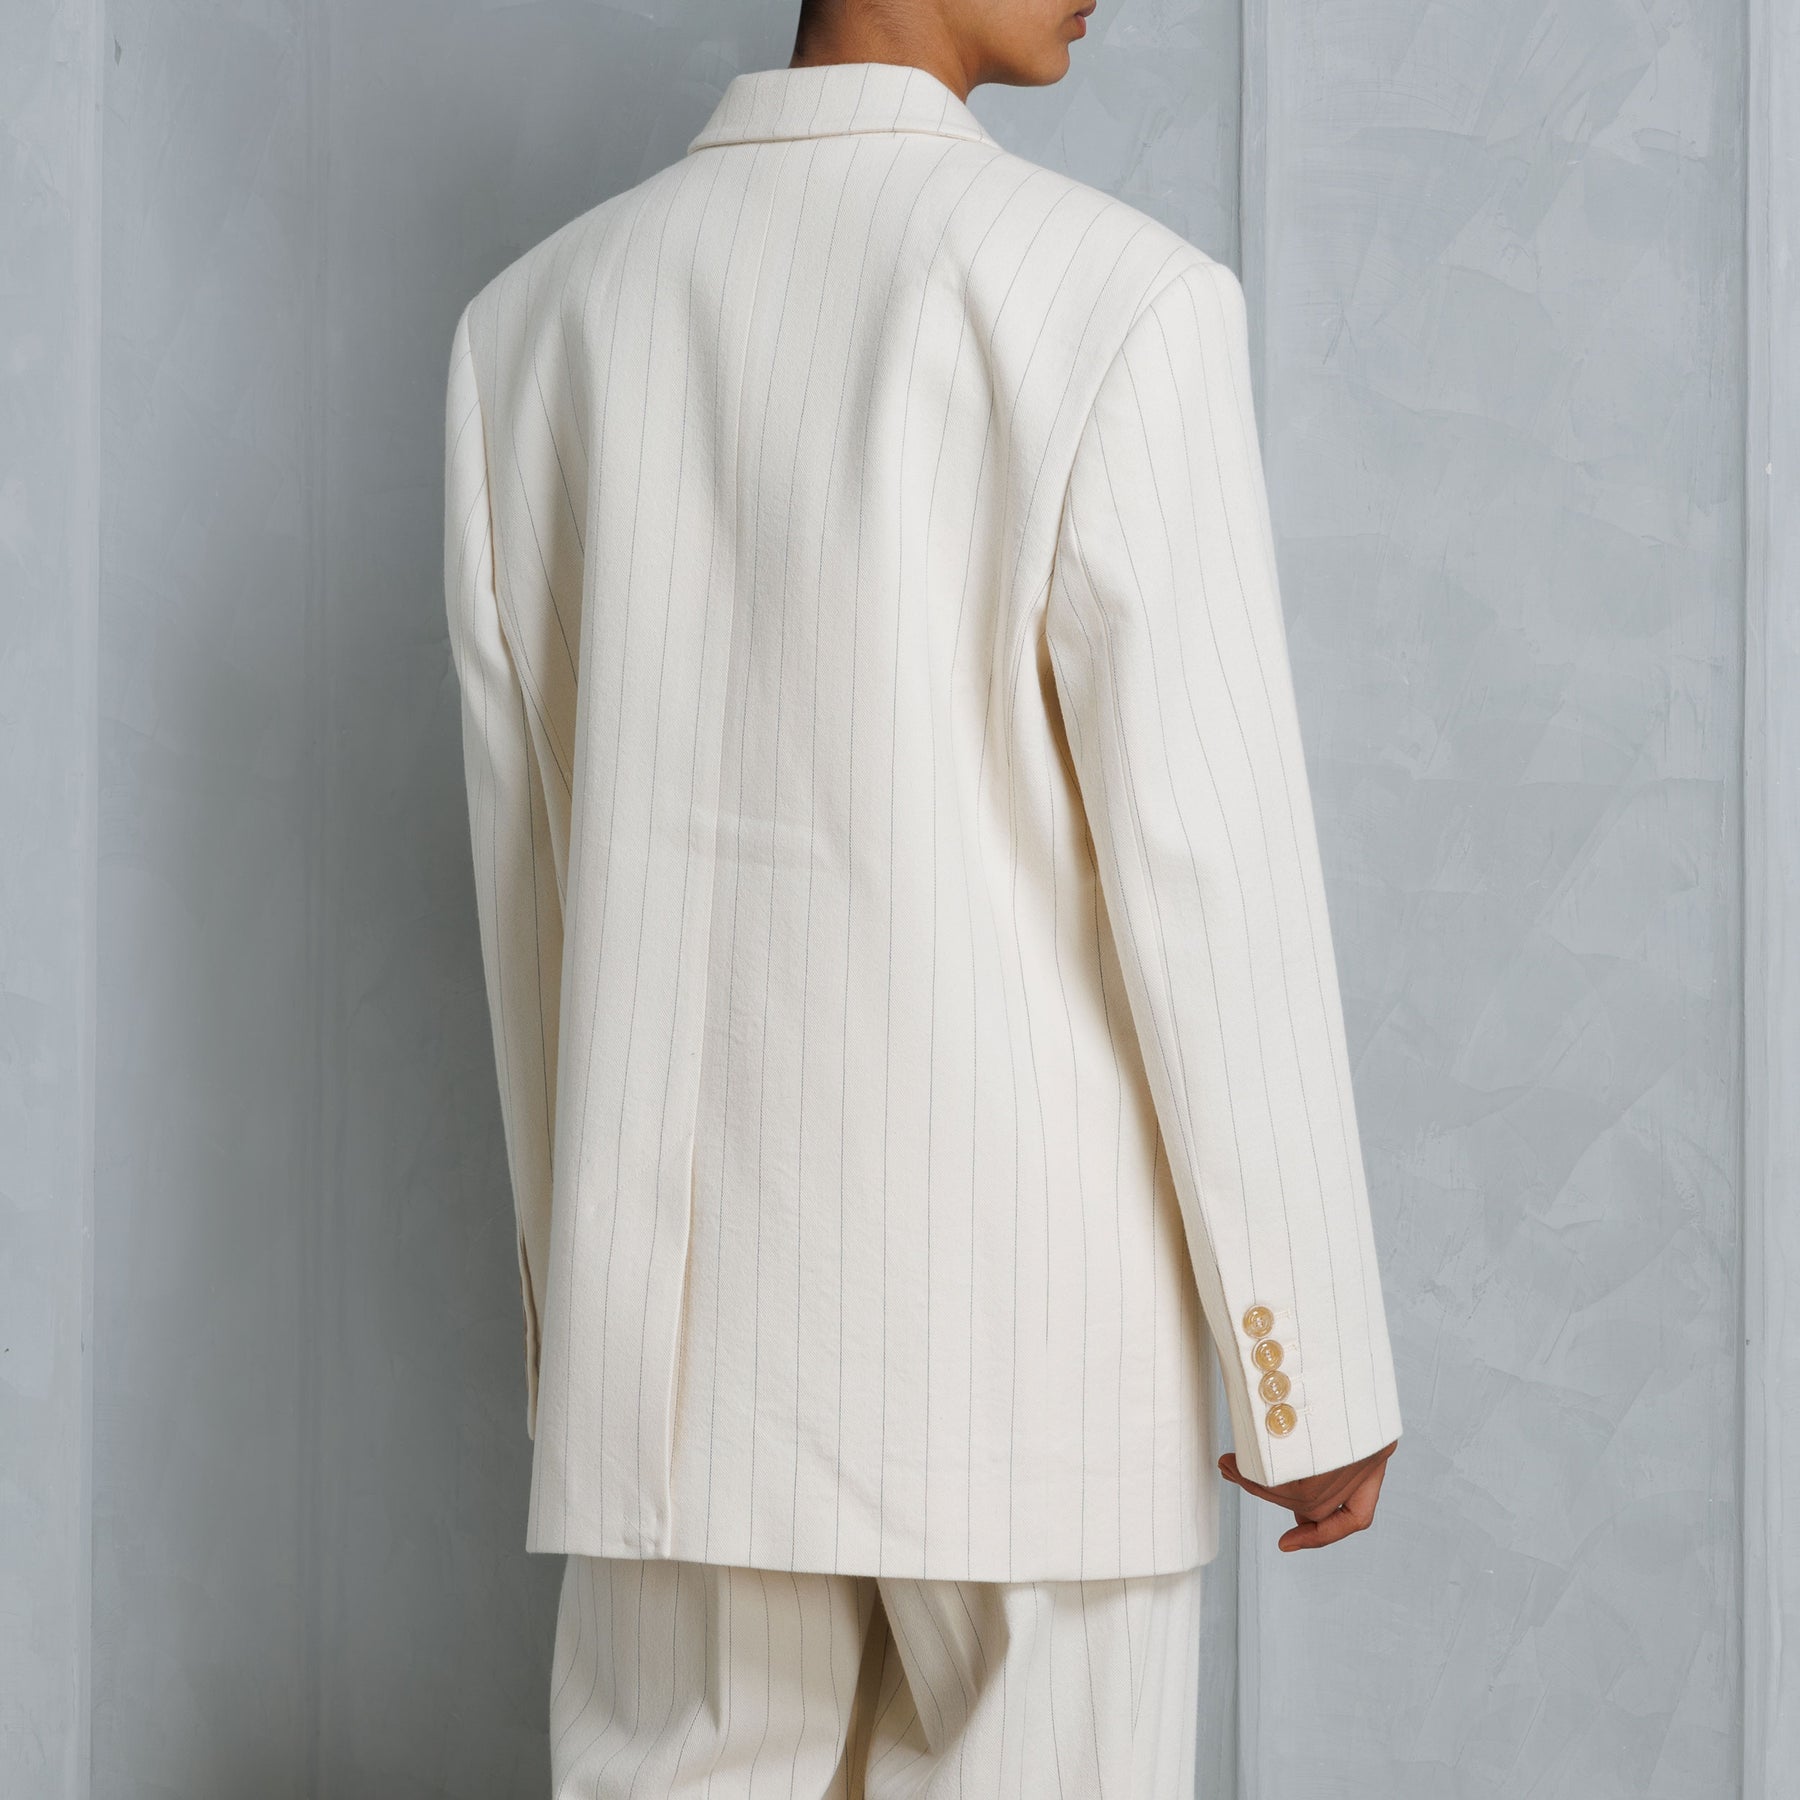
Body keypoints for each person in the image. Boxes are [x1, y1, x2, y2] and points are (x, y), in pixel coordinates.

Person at [442, 0, 1402, 1792]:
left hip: (671, 1387)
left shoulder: (535, 326)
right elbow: (1212, 875)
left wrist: (593, 1345)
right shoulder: (1119, 303)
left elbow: (532, 905)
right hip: (1037, 1381)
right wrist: (1308, 1367)